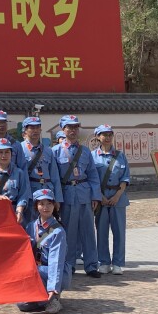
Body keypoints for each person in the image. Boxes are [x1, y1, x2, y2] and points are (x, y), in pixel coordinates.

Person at [52, 115, 102, 278]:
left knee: (88, 231)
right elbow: (55, 179)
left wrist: (95, 196)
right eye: (69, 127)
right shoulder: (55, 151)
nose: (72, 130)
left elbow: (93, 175)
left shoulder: (86, 151)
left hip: (84, 194)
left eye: (75, 127)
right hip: (67, 195)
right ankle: (69, 264)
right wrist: (57, 199)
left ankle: (91, 265)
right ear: (63, 129)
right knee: (69, 232)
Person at [17, 189, 71, 314]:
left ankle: (53, 297)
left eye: (49, 203)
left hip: (54, 272)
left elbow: (56, 261)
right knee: (23, 305)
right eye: (41, 204)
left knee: (37, 271)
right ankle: (43, 297)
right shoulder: (30, 226)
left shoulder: (58, 231)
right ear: (36, 206)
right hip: (37, 271)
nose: (45, 207)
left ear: (54, 205)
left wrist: (53, 287)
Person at [91, 125, 130, 275]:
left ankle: (118, 263)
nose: (107, 137)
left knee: (119, 232)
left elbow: (125, 178)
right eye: (104, 134)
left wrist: (116, 196)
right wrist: (100, 197)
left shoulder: (120, 156)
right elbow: (91, 178)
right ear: (97, 137)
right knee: (101, 232)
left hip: (118, 198)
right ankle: (104, 262)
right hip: (100, 199)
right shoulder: (93, 156)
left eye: (110, 134)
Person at [19, 117, 63, 224]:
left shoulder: (48, 150)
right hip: (30, 192)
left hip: (47, 192)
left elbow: (55, 176)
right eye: (32, 128)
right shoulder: (19, 149)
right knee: (29, 225)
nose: (35, 130)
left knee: (46, 225)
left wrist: (57, 198)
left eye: (38, 127)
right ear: (25, 130)